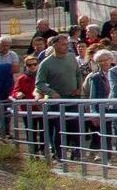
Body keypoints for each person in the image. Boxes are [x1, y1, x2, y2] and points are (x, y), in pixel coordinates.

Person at [34, 31, 85, 161]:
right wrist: (51, 93)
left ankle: (77, 152)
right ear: (55, 45)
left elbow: (78, 73)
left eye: (67, 44)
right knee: (58, 127)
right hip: (56, 100)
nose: (66, 47)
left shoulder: (71, 57)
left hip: (72, 97)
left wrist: (79, 87)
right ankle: (58, 153)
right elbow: (39, 83)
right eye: (63, 44)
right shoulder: (46, 63)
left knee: (75, 125)